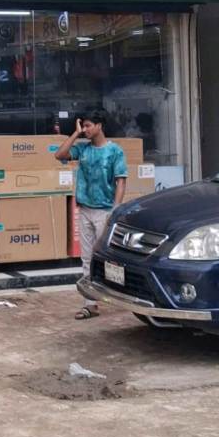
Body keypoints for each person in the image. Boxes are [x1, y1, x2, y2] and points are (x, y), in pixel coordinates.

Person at [55, 111, 127, 320]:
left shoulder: (114, 151)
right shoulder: (83, 149)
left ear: (99, 125)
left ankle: (119, 296)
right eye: (83, 126)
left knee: (108, 258)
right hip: (85, 209)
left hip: (104, 211)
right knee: (87, 258)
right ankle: (90, 304)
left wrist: (115, 209)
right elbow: (60, 155)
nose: (85, 129)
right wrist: (75, 134)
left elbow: (121, 181)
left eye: (87, 125)